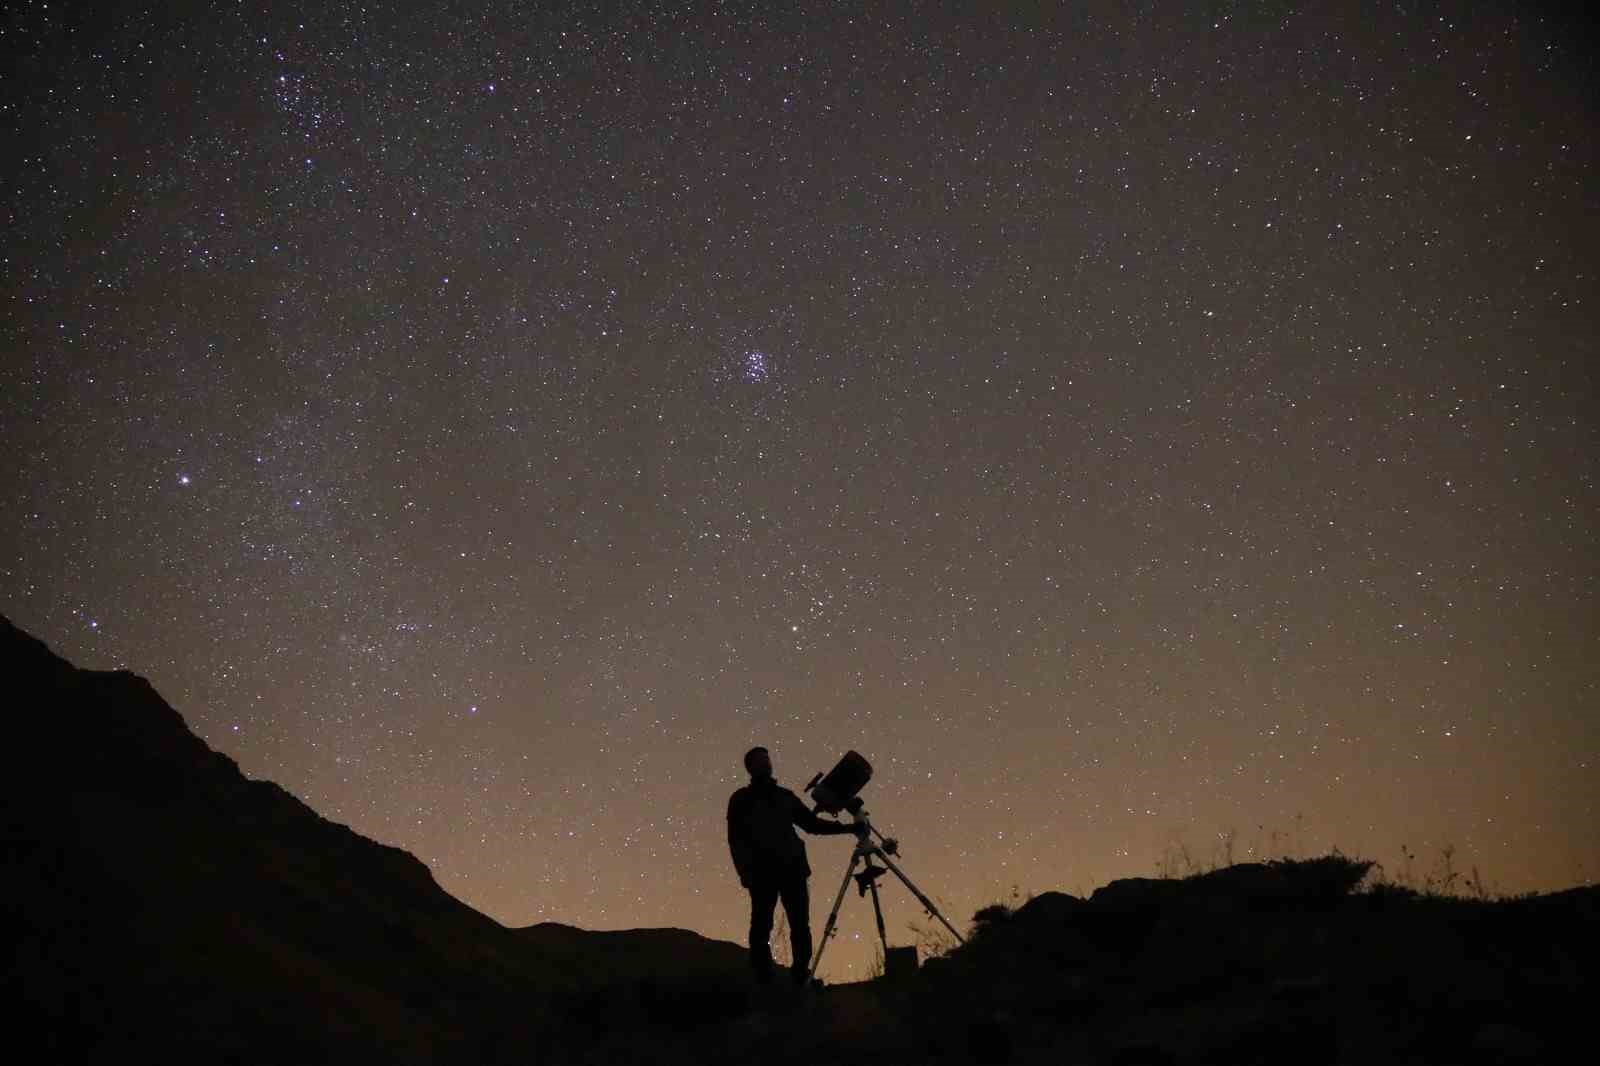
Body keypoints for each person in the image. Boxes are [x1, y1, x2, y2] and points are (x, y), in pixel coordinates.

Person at [727, 745, 862, 987]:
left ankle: (801, 976)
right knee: (761, 926)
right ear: (750, 767)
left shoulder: (784, 796)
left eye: (767, 759)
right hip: (761, 873)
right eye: (760, 760)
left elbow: (811, 825)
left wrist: (848, 829)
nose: (766, 763)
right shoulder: (740, 799)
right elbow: (735, 839)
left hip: (793, 870)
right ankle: (763, 978)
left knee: (800, 925)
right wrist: (744, 872)